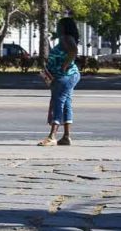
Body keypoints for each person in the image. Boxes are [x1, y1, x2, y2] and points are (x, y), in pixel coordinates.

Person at [38, 17, 81, 146]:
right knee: (66, 103)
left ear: (64, 27)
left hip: (65, 76)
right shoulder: (66, 39)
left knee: (58, 102)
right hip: (67, 76)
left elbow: (73, 51)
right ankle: (66, 136)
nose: (57, 28)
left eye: (59, 25)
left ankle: (52, 136)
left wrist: (64, 66)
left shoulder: (66, 38)